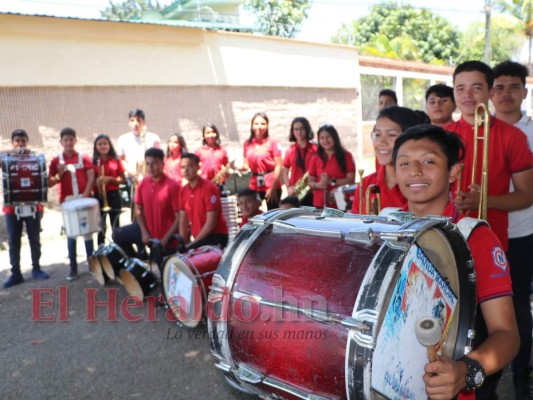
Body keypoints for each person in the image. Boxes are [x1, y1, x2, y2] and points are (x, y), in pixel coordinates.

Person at [392, 124, 519, 400]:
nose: (415, 171)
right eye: (404, 163)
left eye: (428, 161)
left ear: (453, 172)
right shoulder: (384, 227)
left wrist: (465, 371)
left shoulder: (476, 239)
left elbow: (507, 335)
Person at [444, 60, 533, 253]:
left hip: (492, 239)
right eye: (460, 89)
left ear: (490, 92)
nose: (467, 95)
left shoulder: (513, 136)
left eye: (476, 88)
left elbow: (526, 195)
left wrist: (484, 201)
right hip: (446, 238)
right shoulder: (439, 136)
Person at [491, 60, 533, 400]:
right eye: (499, 87)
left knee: (517, 304)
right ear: (491, 93)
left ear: (524, 90)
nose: (506, 93)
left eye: (513, 87)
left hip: (522, 234)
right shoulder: (478, 130)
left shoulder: (529, 133)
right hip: (480, 232)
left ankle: (522, 372)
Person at [113, 147, 181, 268]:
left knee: (159, 272)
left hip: (165, 237)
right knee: (118, 234)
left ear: (162, 163)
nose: (150, 167)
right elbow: (138, 210)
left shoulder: (173, 186)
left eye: (154, 163)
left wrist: (164, 240)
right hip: (147, 230)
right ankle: (137, 263)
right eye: (148, 163)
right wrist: (144, 231)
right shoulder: (143, 183)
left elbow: (178, 218)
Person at [2, 129, 49, 288]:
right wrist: (11, 152)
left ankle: (36, 268)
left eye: (23, 141)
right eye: (17, 141)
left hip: (34, 206)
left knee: (34, 239)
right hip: (11, 209)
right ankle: (16, 273)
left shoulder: (35, 157)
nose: (20, 144)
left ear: (27, 141)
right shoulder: (7, 159)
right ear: (13, 143)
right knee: (14, 241)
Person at [49, 127, 95, 281]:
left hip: (83, 198)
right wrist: (59, 173)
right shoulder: (56, 160)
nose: (68, 142)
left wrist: (86, 196)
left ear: (75, 140)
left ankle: (92, 265)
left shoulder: (84, 157)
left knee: (87, 233)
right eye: (65, 140)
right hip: (68, 202)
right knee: (71, 235)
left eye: (71, 139)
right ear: (61, 142)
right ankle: (73, 268)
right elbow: (50, 182)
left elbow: (91, 176)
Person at [351, 106, 417, 215]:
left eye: (391, 135)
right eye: (377, 134)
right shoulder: (366, 184)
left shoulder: (420, 183)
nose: (382, 142)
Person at [178, 153, 228, 250]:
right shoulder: (183, 191)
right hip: (199, 238)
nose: (186, 170)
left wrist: (192, 244)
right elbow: (183, 220)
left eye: (190, 166)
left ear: (198, 167)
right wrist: (182, 244)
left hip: (216, 236)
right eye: (183, 167)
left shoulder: (209, 188)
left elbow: (211, 223)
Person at [307, 124, 355, 209]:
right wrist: (319, 185)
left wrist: (332, 181)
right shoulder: (315, 158)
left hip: (341, 202)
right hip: (320, 203)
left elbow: (351, 180)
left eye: (328, 137)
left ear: (335, 137)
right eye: (322, 138)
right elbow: (310, 181)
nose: (325, 140)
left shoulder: (346, 156)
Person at [242, 112, 282, 210]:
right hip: (255, 184)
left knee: (272, 214)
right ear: (252, 126)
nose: (259, 126)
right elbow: (246, 166)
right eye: (256, 123)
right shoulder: (247, 143)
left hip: (271, 183)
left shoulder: (273, 142)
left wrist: (273, 187)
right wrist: (237, 167)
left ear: (267, 126)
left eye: (262, 124)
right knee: (253, 213)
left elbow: (278, 166)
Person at [92, 134, 125, 245]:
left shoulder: (116, 160)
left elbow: (122, 180)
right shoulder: (93, 162)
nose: (103, 146)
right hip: (99, 196)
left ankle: (118, 247)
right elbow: (89, 180)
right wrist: (95, 182)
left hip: (114, 195)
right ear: (96, 146)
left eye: (105, 143)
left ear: (109, 145)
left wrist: (110, 179)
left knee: (115, 224)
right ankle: (101, 250)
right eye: (99, 144)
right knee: (101, 225)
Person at [282, 117, 317, 207]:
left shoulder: (315, 148)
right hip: (296, 191)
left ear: (307, 129)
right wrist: (288, 187)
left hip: (312, 191)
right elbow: (285, 172)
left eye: (302, 128)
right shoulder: (290, 150)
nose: (299, 132)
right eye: (296, 129)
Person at [195, 123, 229, 188]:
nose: (210, 135)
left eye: (213, 132)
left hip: (219, 184)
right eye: (207, 133)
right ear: (203, 136)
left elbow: (226, 166)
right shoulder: (199, 151)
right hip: (204, 184)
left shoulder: (222, 150)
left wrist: (226, 173)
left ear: (216, 134)